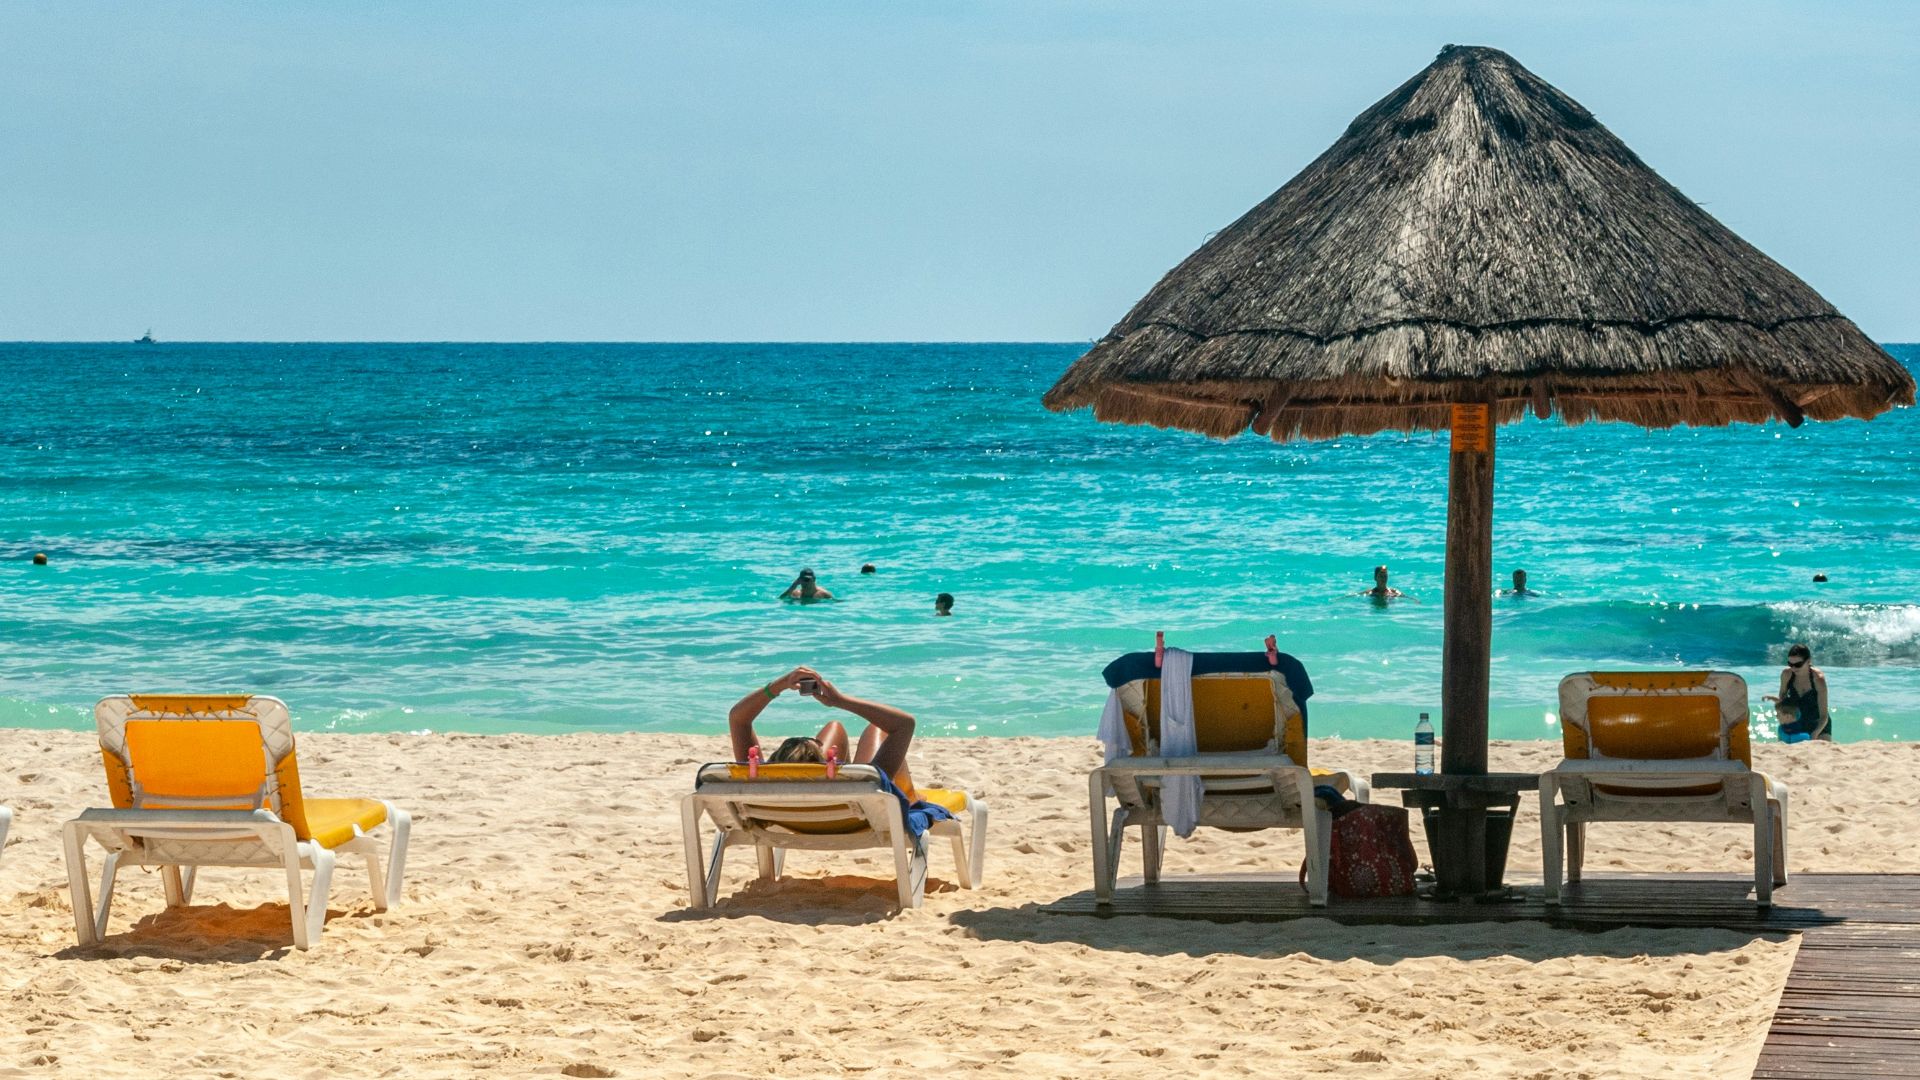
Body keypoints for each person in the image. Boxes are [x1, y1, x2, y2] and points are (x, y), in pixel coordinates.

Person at [727, 666, 918, 791]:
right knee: (877, 729)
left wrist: (779, 685)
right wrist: (840, 701)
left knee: (834, 727)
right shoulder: (867, 786)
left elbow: (738, 719)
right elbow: (905, 724)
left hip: (784, 819)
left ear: (774, 761)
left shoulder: (761, 784)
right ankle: (911, 796)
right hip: (850, 819)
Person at [1766, 643, 1831, 743]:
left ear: (1808, 661)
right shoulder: (1786, 675)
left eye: (1798, 665)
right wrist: (1775, 700)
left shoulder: (1818, 679)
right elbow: (1784, 705)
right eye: (1790, 664)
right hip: (1796, 722)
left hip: (1818, 724)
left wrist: (1814, 734)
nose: (1793, 668)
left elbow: (1824, 716)